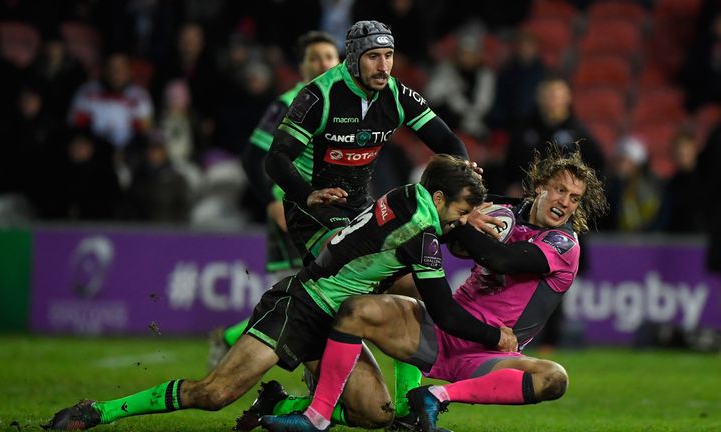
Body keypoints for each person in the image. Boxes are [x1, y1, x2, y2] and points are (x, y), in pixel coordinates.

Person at [41, 155, 516, 431]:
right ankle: (97, 411)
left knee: (375, 414)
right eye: (460, 210)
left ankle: (280, 404)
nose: (460, 219)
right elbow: (446, 314)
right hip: (302, 305)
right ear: (440, 201)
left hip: (340, 318)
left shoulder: (412, 196)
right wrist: (495, 337)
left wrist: (466, 212)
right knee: (213, 394)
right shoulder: (422, 234)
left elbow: (439, 218)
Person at [260, 146, 608, 432]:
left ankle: (435, 396)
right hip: (444, 329)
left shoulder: (564, 244)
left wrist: (458, 219)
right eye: (560, 190)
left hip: (492, 352)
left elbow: (499, 259)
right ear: (540, 185)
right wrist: (463, 217)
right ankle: (317, 416)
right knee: (357, 309)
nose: (565, 202)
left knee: (554, 378)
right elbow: (456, 242)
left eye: (575, 198)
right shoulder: (505, 212)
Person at [263, 19, 474, 422]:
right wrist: (306, 193)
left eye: (389, 56)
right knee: (345, 281)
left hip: (360, 207)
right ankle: (314, 377)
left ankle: (411, 403)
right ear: (355, 58)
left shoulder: (397, 95)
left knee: (412, 283)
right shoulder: (319, 95)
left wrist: (464, 171)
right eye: (374, 57)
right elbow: (276, 158)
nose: (383, 66)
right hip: (313, 212)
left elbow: (447, 142)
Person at [206, 30, 340, 369]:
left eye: (329, 56)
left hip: (333, 209)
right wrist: (270, 202)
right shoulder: (290, 102)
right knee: (311, 297)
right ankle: (316, 382)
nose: (323, 62)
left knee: (312, 295)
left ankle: (233, 336)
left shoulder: (346, 102)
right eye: (315, 57)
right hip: (294, 209)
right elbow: (253, 156)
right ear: (302, 66)